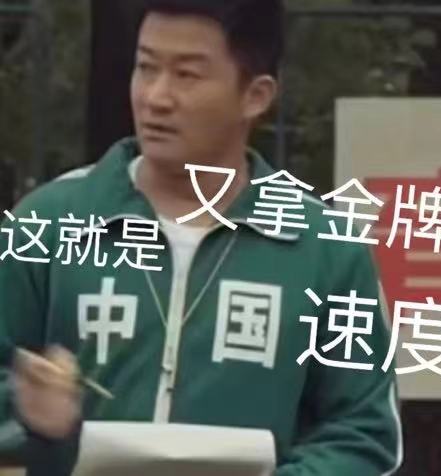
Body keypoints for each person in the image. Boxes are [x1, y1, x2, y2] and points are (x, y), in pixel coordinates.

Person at [0, 0, 403, 474]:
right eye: (146, 68)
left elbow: (364, 434)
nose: (156, 97)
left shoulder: (325, 249)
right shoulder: (49, 223)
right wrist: (32, 419)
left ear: (255, 96)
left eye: (186, 75)